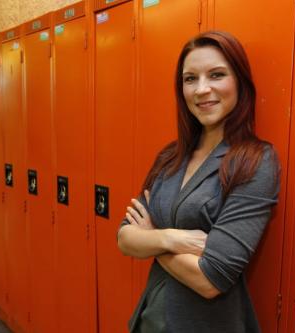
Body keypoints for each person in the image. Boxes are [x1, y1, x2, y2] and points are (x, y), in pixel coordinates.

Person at [117, 31, 280, 332]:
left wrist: (150, 238)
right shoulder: (170, 156)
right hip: (150, 320)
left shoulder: (255, 161)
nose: (202, 89)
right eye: (190, 79)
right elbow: (125, 239)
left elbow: (211, 279)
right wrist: (169, 238)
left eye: (216, 75)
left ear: (240, 82)